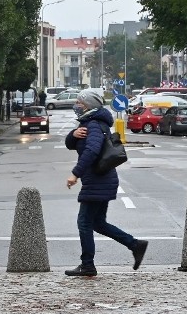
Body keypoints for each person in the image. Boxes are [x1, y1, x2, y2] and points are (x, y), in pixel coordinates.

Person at [64, 89, 149, 276]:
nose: (76, 105)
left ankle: (87, 265)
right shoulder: (90, 124)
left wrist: (75, 174)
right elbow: (71, 144)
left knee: (84, 222)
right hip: (102, 180)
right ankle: (135, 245)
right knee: (98, 223)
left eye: (79, 102)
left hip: (97, 181)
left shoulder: (93, 125)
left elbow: (92, 151)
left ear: (87, 106)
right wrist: (73, 134)